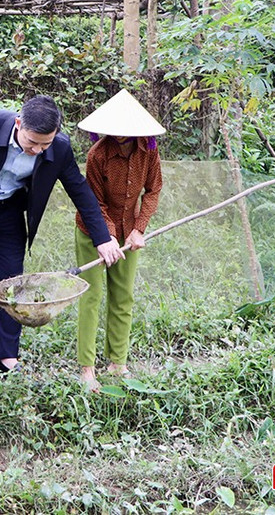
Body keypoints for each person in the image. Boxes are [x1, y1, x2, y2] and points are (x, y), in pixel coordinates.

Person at [0, 95, 124, 380]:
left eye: (44, 144)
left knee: (14, 284)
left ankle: (5, 354)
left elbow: (80, 192)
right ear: (19, 123)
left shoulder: (58, 149)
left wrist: (103, 238)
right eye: (32, 142)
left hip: (9, 211)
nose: (36, 150)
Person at [74, 89, 165, 392]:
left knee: (123, 296)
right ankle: (87, 368)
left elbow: (153, 190)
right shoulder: (97, 155)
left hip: (130, 231)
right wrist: (108, 237)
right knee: (92, 296)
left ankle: (118, 362)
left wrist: (139, 228)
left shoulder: (149, 150)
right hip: (93, 232)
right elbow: (94, 204)